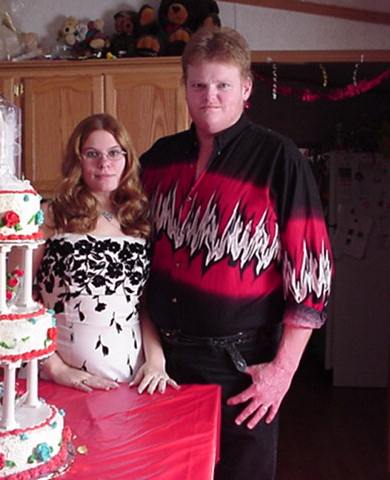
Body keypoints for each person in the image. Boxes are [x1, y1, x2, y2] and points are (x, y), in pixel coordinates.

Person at [140, 26, 333, 479]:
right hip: (159, 362)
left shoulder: (278, 158)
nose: (210, 96)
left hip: (240, 369)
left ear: (245, 88)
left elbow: (314, 277)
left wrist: (282, 372)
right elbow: (123, 237)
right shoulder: (158, 159)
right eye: (199, 84)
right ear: (185, 88)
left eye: (223, 84)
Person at [34, 113, 178, 395]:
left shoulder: (139, 220)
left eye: (114, 153)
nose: (105, 163)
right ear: (77, 161)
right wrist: (55, 368)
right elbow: (19, 301)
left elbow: (144, 305)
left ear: (127, 158)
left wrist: (157, 363)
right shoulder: (50, 215)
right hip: (65, 379)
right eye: (92, 154)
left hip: (133, 379)